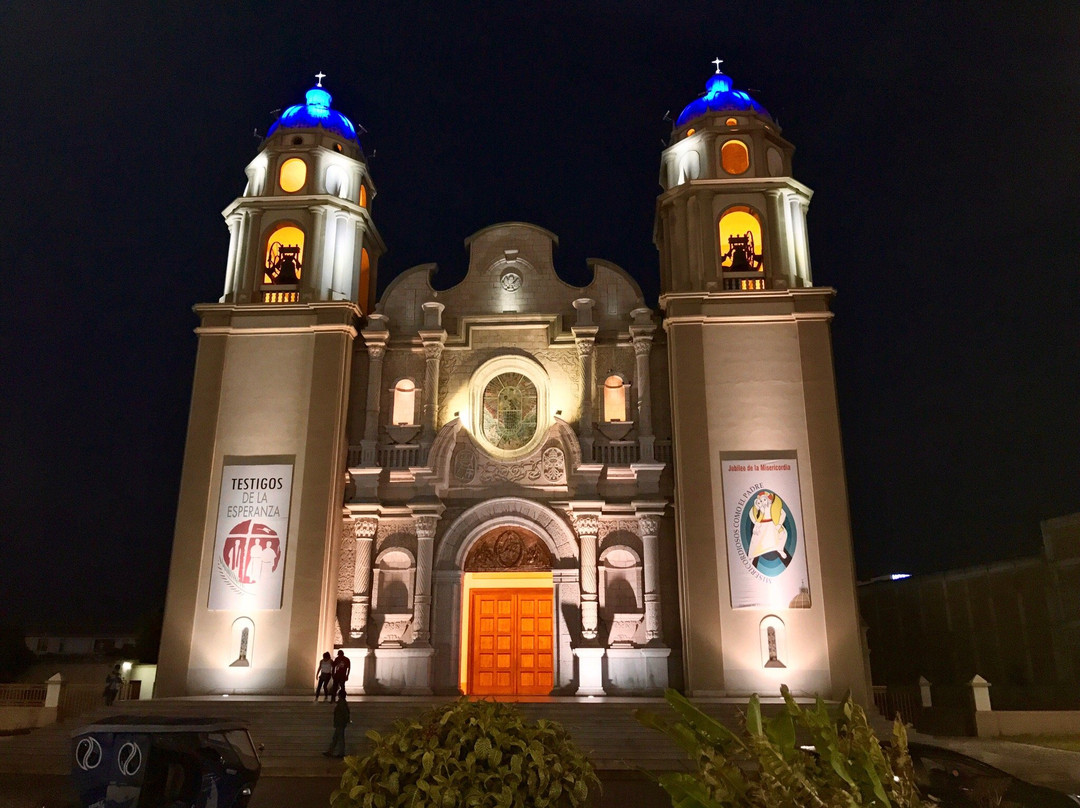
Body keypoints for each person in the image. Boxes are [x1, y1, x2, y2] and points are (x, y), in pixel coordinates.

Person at [323, 691, 351, 758]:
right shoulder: (343, 703)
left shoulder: (341, 703)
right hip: (340, 723)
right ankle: (331, 751)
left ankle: (340, 753)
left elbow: (344, 713)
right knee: (336, 738)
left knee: (339, 738)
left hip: (340, 723)